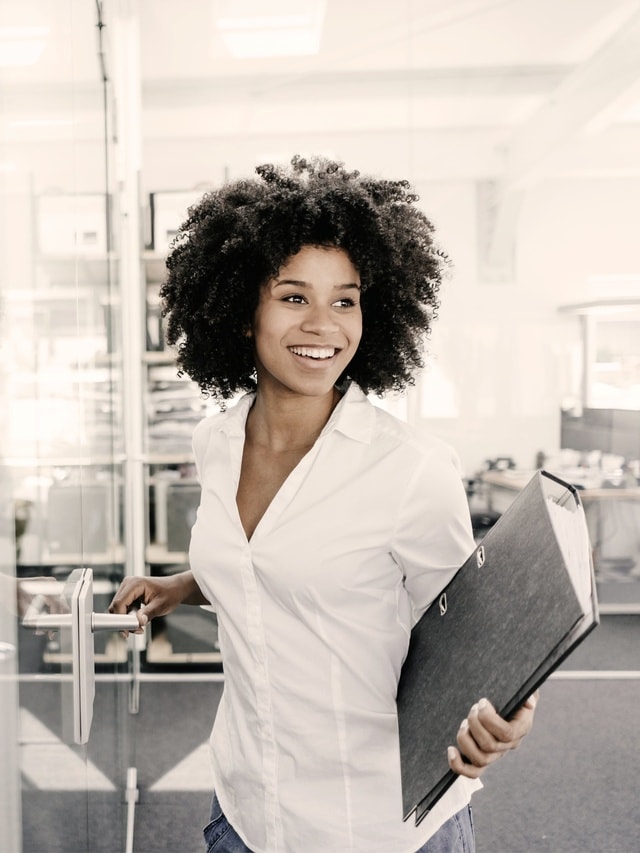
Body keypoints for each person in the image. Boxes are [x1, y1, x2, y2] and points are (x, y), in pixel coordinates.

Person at [109, 156, 537, 853]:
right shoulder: (215, 441)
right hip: (250, 805)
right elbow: (270, 565)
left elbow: (477, 636)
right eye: (293, 296)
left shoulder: (409, 467)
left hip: (379, 822)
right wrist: (186, 585)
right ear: (241, 309)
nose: (324, 324)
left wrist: (514, 712)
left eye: (345, 299)